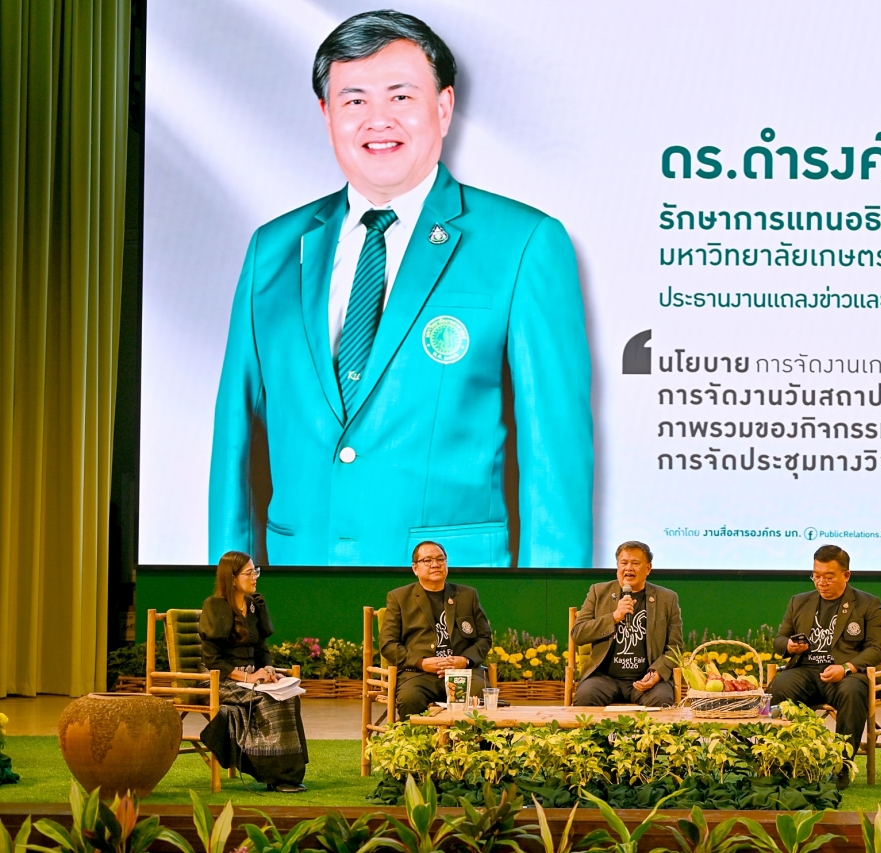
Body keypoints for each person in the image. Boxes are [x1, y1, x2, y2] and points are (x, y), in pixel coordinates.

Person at [208, 9, 593, 569]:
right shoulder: (273, 248)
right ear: (326, 114)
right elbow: (236, 442)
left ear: (444, 107)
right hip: (299, 586)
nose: (378, 120)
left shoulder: (523, 244)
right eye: (354, 100)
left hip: (454, 599)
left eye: (401, 97)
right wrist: (229, 595)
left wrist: (550, 610)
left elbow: (554, 461)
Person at [766, 544, 881, 786]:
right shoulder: (799, 601)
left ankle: (841, 766)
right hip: (806, 671)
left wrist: (847, 667)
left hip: (845, 675)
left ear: (846, 575)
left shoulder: (867, 604)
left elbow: (876, 649)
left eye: (828, 577)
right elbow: (779, 640)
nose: (821, 583)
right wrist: (789, 645)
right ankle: (780, 761)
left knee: (853, 691)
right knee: (779, 687)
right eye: (816, 576)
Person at [198, 550, 308, 792]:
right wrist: (249, 677)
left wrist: (268, 669)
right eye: (249, 573)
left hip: (250, 679)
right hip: (218, 680)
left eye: (255, 571)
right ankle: (272, 774)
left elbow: (261, 649)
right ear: (232, 578)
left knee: (288, 696)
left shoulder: (254, 606)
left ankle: (289, 774)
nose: (254, 577)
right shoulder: (215, 607)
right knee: (267, 699)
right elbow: (213, 661)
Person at [380, 540, 493, 715]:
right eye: (427, 560)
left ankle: (472, 734)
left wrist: (465, 660)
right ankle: (417, 735)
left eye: (440, 559)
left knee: (480, 694)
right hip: (419, 674)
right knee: (411, 698)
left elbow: (484, 637)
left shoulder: (467, 595)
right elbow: (388, 644)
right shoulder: (399, 598)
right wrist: (422, 662)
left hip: (462, 673)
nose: (435, 564)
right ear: (415, 568)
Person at [571, 541, 682, 707]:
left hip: (646, 679)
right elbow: (578, 634)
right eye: (624, 563)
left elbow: (675, 648)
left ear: (648, 568)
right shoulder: (598, 592)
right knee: (586, 695)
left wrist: (657, 673)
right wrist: (614, 617)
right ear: (617, 566)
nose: (629, 568)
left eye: (635, 563)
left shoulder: (667, 599)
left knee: (662, 699)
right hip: (604, 678)